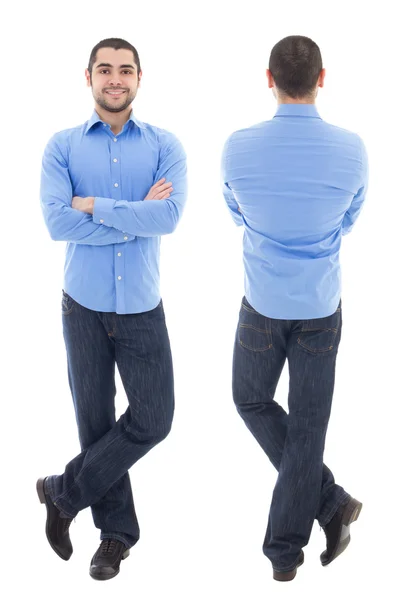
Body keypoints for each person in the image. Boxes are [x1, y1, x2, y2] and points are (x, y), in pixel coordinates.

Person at [37, 37, 187, 581]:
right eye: (105, 69)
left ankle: (63, 493)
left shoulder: (166, 145)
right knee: (96, 423)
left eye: (125, 69)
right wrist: (134, 213)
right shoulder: (61, 146)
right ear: (89, 78)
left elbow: (167, 219)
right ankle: (115, 536)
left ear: (139, 78)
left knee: (154, 418)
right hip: (83, 305)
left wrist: (95, 206)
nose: (115, 78)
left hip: (142, 307)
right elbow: (57, 224)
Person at [221, 35, 367, 582]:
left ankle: (292, 546)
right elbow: (349, 220)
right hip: (320, 304)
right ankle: (325, 507)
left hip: (262, 303)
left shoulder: (237, 146)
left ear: (269, 78)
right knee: (308, 426)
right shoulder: (352, 149)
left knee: (251, 399)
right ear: (322, 78)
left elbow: (235, 212)